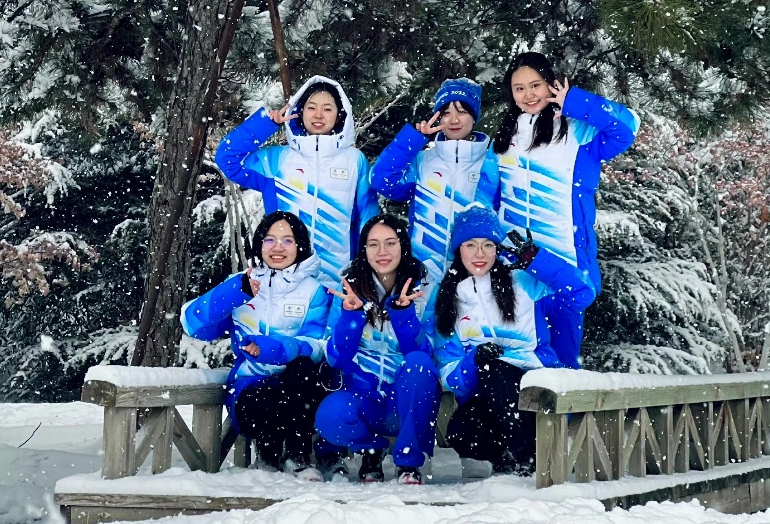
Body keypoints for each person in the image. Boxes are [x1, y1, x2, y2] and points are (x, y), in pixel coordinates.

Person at [492, 52, 640, 369]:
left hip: (565, 267)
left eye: (535, 85)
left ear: (550, 84)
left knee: (563, 368)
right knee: (515, 363)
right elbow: (490, 200)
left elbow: (627, 126)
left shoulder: (579, 132)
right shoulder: (503, 141)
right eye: (519, 88)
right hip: (514, 268)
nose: (528, 95)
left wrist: (574, 102)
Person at [426, 204, 595, 478]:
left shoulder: (523, 282)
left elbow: (582, 293)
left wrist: (537, 261)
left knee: (496, 371)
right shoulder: (449, 298)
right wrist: (473, 361)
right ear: (459, 250)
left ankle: (531, 457)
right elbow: (448, 374)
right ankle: (505, 457)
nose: (479, 253)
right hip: (488, 393)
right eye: (470, 245)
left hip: (536, 383)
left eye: (487, 245)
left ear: (497, 248)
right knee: (462, 428)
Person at [180, 211, 344, 482]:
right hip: (252, 384)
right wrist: (235, 292)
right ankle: (267, 456)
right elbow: (193, 324)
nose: (278, 247)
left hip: (301, 387)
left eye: (287, 240)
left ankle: (298, 456)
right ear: (259, 244)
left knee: (302, 369)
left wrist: (276, 349)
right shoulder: (241, 282)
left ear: (300, 245)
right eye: (270, 239)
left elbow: (320, 345)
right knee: (262, 397)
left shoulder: (314, 291)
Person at [215, 75, 380, 289]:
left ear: (340, 114)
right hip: (285, 277)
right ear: (300, 112)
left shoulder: (355, 160)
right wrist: (266, 124)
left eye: (327, 109)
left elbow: (368, 218)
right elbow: (227, 158)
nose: (318, 115)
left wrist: (365, 271)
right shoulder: (276, 160)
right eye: (311, 108)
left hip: (338, 279)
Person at [314, 214, 441, 485]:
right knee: (330, 418)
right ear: (364, 249)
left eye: (390, 243)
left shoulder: (425, 289)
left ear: (403, 246)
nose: (382, 251)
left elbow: (427, 353)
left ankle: (408, 463)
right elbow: (336, 358)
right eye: (373, 244)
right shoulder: (349, 287)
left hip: (405, 400)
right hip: (363, 398)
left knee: (419, 364)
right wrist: (351, 318)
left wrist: (405, 316)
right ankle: (371, 451)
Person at [369, 78, 499, 286]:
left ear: (474, 116)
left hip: (472, 275)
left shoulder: (491, 163)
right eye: (446, 113)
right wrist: (414, 139)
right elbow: (381, 180)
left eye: (462, 112)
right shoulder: (423, 161)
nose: (454, 120)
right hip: (422, 274)